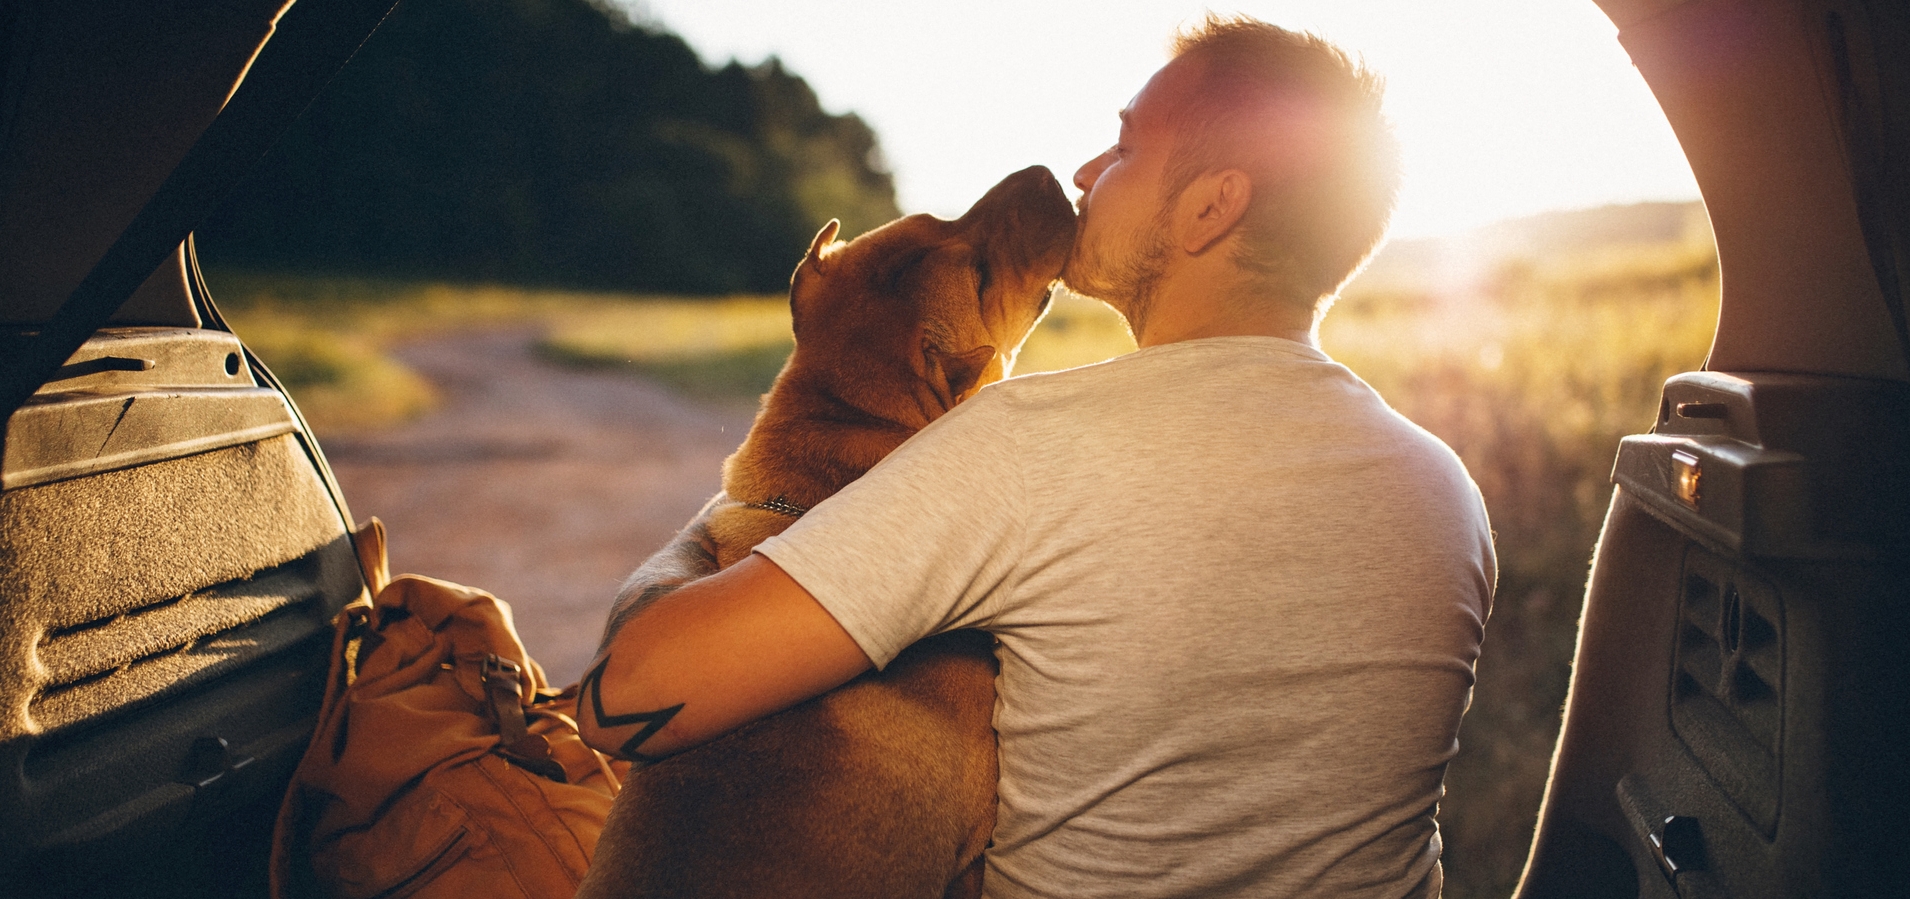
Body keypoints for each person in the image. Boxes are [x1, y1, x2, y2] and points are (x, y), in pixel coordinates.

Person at [579, 14, 1494, 898]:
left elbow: (624, 697)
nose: (1088, 170)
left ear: (1215, 204)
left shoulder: (1029, 443)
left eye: (1127, 148)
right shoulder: (1445, 489)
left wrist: (724, 526)